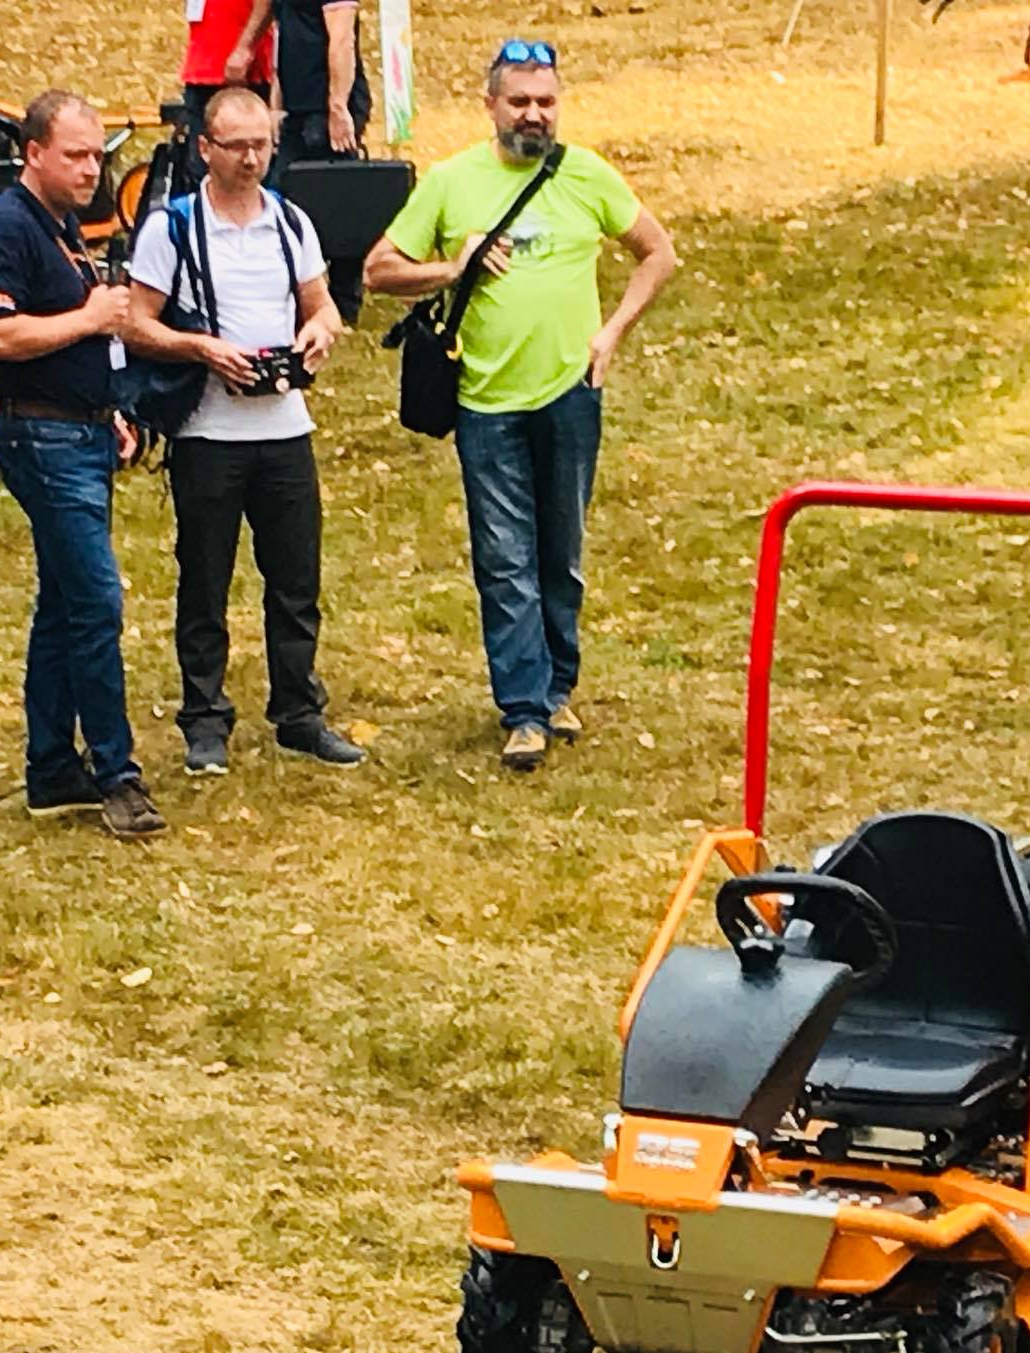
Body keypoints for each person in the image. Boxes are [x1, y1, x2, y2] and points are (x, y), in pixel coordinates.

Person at [365, 41, 677, 773]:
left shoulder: (586, 175)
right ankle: (524, 711)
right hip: (485, 402)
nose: (534, 115)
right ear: (491, 107)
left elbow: (658, 253)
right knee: (505, 560)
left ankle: (557, 686)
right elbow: (378, 269)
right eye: (519, 102)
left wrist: (611, 334)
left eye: (545, 102)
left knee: (560, 554)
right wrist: (454, 266)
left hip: (571, 394)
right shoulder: (453, 182)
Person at [123, 87, 365, 777]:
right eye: (237, 147)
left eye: (262, 146)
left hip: (285, 429)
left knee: (296, 580)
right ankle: (205, 721)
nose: (252, 159)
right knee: (205, 582)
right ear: (206, 148)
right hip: (207, 434)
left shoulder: (289, 222)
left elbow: (323, 306)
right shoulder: (173, 229)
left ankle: (299, 712)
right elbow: (135, 323)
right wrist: (204, 350)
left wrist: (317, 336)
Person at [0, 90, 166, 840]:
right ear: (33, 153)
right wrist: (89, 318)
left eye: (96, 157)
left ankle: (51, 768)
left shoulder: (60, 224)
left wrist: (109, 409)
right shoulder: (5, 227)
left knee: (64, 604)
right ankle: (117, 775)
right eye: (75, 156)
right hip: (42, 441)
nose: (90, 170)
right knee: (96, 604)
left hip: (81, 434)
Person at [271, 0, 372, 321]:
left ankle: (345, 302)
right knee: (284, 195)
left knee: (341, 199)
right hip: (297, 106)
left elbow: (342, 39)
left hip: (328, 106)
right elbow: (282, 39)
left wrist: (338, 107)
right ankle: (296, 295)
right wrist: (275, 106)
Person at [179, 0, 274, 184]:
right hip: (203, 67)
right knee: (200, 168)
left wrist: (244, 49)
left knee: (242, 167)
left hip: (238, 69)